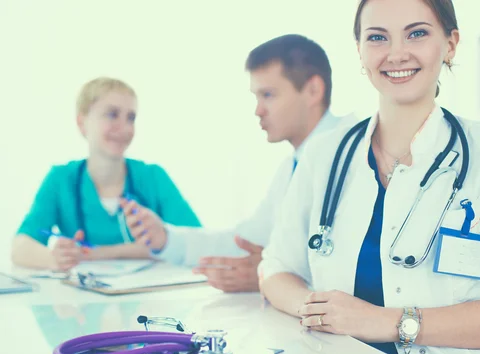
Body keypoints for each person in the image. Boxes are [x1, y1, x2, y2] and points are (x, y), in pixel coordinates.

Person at [257, 0, 480, 354]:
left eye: (417, 33)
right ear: (359, 51)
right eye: (377, 37)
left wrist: (390, 322)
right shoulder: (324, 156)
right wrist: (320, 311)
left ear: (450, 44)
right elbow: (275, 268)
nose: (396, 53)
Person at [121, 34, 356, 293]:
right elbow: (245, 241)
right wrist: (167, 239)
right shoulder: (293, 166)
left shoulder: (356, 152)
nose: (258, 110)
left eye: (268, 95)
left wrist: (271, 276)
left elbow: (358, 270)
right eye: (257, 96)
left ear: (313, 90)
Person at [11, 77, 201, 271]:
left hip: (150, 298)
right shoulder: (61, 180)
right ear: (82, 123)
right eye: (112, 114)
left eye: (131, 118)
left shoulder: (153, 178)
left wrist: (96, 253)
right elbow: (20, 247)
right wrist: (54, 259)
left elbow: (195, 243)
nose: (125, 127)